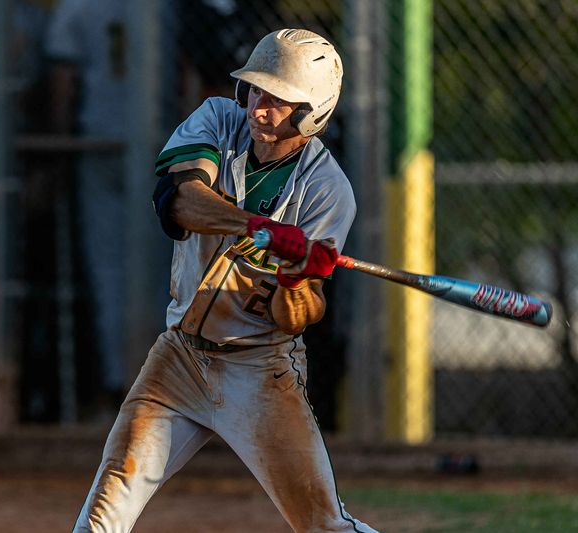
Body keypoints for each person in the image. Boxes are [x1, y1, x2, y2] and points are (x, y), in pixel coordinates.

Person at [73, 29, 379, 532]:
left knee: (325, 526)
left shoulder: (328, 192)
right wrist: (258, 227)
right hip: (179, 358)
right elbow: (181, 201)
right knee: (100, 519)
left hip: (260, 371)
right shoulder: (218, 119)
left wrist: (299, 278)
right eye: (256, 91)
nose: (259, 108)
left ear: (313, 111)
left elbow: (296, 317)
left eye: (278, 100)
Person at [47, 0, 131, 412]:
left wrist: (60, 152)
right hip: (163, 148)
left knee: (110, 272)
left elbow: (64, 85)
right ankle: (150, 386)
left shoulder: (76, 7)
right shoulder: (167, 7)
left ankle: (121, 384)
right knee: (163, 272)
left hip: (97, 141)